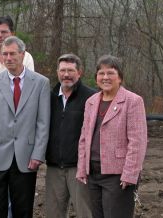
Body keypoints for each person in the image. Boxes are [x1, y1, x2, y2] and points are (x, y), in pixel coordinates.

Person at [0, 36, 50, 218]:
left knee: (22, 210)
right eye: (4, 54)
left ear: (22, 54)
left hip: (26, 158)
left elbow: (43, 122)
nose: (8, 58)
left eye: (12, 54)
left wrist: (38, 154)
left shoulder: (41, 83)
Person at [76, 55, 148, 218]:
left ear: (120, 77)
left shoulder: (133, 101)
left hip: (117, 176)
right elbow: (84, 138)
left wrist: (130, 174)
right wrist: (82, 167)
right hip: (93, 173)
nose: (105, 77)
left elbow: (138, 141)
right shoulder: (91, 101)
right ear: (96, 78)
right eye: (101, 73)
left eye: (110, 73)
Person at [45, 54, 95, 218]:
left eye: (71, 70)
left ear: (79, 73)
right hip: (53, 167)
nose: (66, 75)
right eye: (63, 70)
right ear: (57, 72)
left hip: (79, 168)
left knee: (85, 212)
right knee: (54, 213)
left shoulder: (91, 97)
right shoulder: (48, 97)